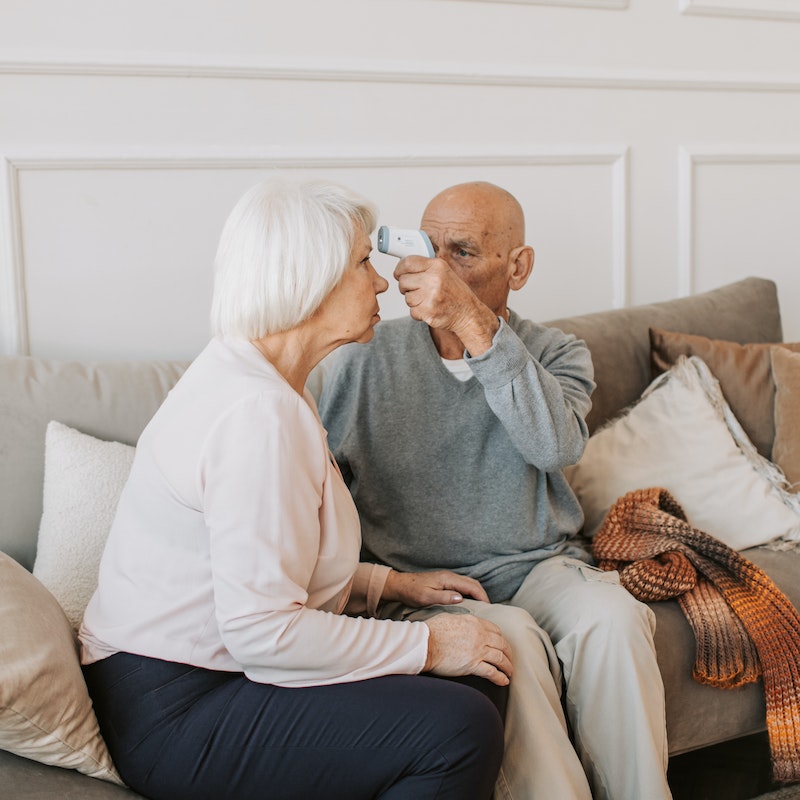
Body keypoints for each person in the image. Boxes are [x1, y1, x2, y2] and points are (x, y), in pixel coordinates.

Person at [78, 178, 513, 800]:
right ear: (309, 279)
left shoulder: (262, 378)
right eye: (365, 263)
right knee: (459, 726)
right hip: (179, 707)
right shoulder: (257, 414)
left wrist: (387, 585)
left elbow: (260, 558)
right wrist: (428, 641)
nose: (383, 282)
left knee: (478, 680)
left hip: (196, 677)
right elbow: (261, 632)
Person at [317, 181, 673, 800]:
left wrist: (472, 324)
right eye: (429, 249)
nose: (439, 269)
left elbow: (554, 447)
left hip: (539, 565)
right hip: (426, 580)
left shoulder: (557, 352)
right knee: (511, 642)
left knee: (614, 620)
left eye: (463, 252)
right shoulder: (362, 357)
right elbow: (316, 492)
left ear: (519, 267)